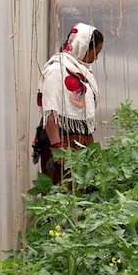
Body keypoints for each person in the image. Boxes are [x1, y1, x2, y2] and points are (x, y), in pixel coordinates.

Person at [34, 23, 103, 188]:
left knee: (81, 193)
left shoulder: (79, 69)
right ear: (84, 47)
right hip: (63, 144)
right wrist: (59, 149)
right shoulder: (57, 70)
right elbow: (50, 111)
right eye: (96, 52)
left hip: (79, 142)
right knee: (63, 193)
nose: (96, 57)